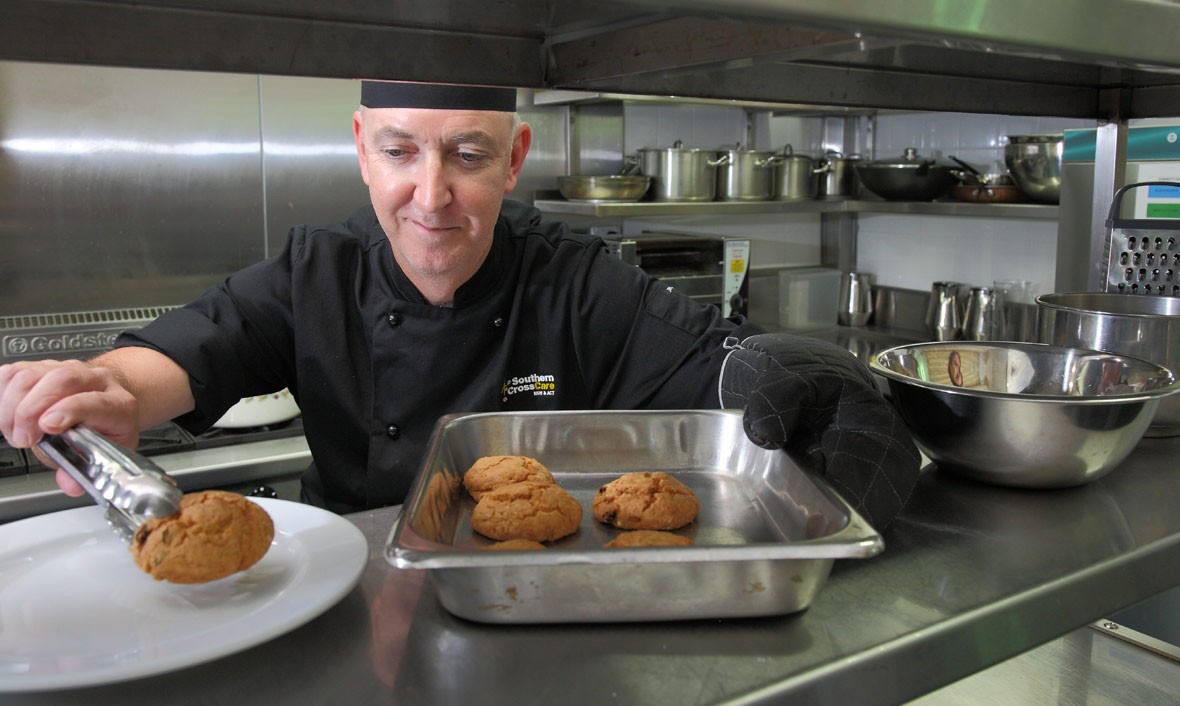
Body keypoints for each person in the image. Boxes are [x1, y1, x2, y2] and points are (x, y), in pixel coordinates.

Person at [0, 81, 920, 527]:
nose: (431, 197)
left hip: (540, 597)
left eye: (468, 156)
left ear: (514, 160)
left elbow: (716, 362)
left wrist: (792, 371)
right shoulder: (315, 274)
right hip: (350, 593)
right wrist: (108, 389)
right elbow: (193, 349)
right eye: (400, 152)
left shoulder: (578, 282)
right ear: (361, 148)